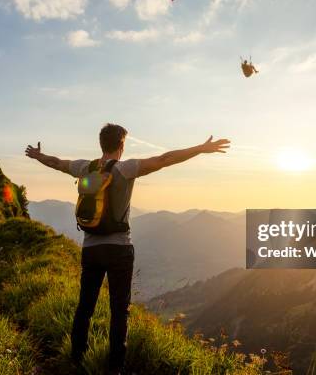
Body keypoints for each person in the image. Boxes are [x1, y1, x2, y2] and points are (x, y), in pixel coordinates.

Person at [25, 124, 230, 374]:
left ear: (101, 144)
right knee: (119, 310)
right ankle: (115, 368)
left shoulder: (84, 167)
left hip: (91, 248)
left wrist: (38, 156)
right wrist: (200, 148)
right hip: (119, 249)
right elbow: (165, 159)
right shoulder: (126, 168)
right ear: (121, 145)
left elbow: (57, 162)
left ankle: (76, 359)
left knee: (85, 307)